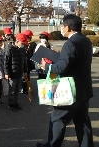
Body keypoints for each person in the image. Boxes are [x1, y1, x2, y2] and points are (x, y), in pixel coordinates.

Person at [37, 14, 94, 147]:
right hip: (84, 89)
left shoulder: (70, 43)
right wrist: (61, 55)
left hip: (69, 90)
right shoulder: (85, 40)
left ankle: (52, 145)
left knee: (57, 120)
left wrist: (46, 67)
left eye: (62, 26)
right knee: (82, 121)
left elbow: (61, 67)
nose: (61, 29)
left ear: (67, 27)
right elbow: (75, 61)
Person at [4, 33, 28, 112]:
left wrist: (25, 71)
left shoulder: (22, 49)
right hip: (12, 72)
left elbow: (24, 61)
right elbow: (6, 61)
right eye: (22, 43)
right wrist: (6, 72)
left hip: (20, 72)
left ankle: (15, 102)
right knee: (12, 89)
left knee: (17, 89)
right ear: (17, 41)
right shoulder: (10, 49)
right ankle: (11, 104)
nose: (23, 45)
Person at [22, 29, 37, 94]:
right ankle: (25, 88)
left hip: (27, 62)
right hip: (25, 62)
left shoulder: (33, 44)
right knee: (24, 76)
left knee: (26, 76)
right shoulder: (24, 43)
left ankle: (26, 88)